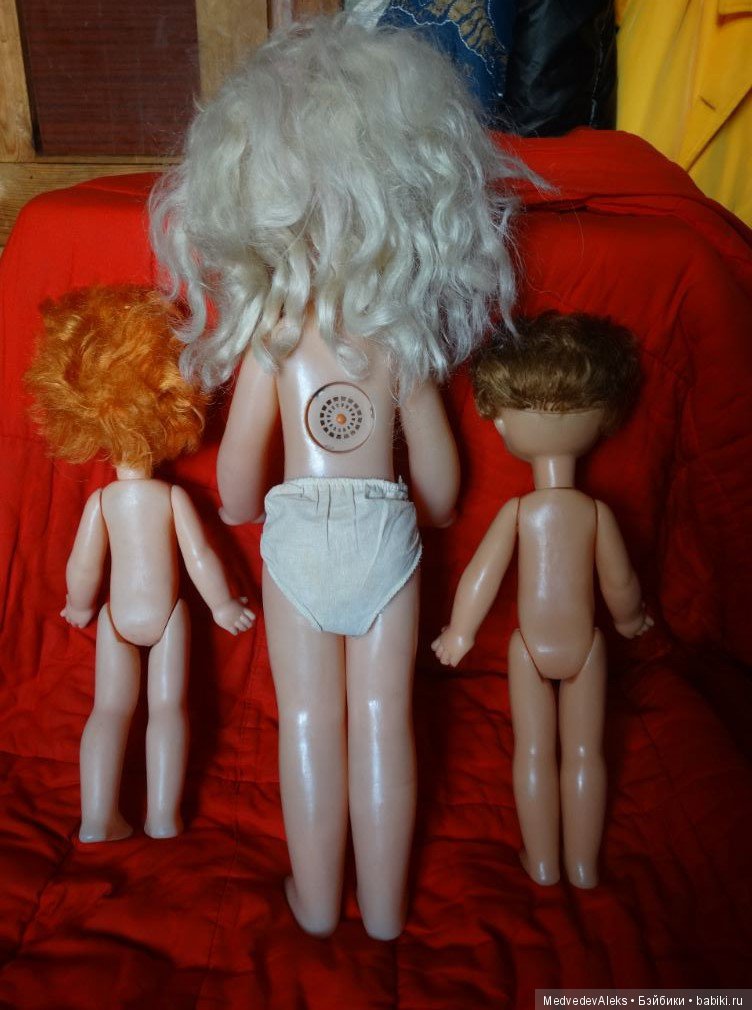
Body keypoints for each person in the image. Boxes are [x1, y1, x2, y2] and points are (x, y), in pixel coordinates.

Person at [149, 15, 528, 938]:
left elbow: (239, 489)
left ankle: (317, 907)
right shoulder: (401, 343)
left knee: (309, 724)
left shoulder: (276, 343)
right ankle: (388, 916)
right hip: (385, 535)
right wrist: (414, 504)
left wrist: (249, 504)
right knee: (384, 720)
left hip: (299, 543)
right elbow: (439, 494)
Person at [25, 285, 255, 844]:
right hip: (167, 616)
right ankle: (162, 815)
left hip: (115, 617)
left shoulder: (103, 502)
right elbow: (200, 555)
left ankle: (98, 817)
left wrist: (80, 605)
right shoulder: (169, 498)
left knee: (108, 710)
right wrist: (223, 605)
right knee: (168, 708)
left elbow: (83, 564)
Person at [432, 311, 653, 888]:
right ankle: (581, 865)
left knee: (533, 751)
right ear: (602, 419)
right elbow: (620, 584)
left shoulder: (521, 512)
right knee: (584, 753)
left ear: (501, 423)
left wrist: (460, 632)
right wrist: (630, 620)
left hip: (529, 648)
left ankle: (546, 862)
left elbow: (481, 575)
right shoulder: (595, 513)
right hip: (587, 647)